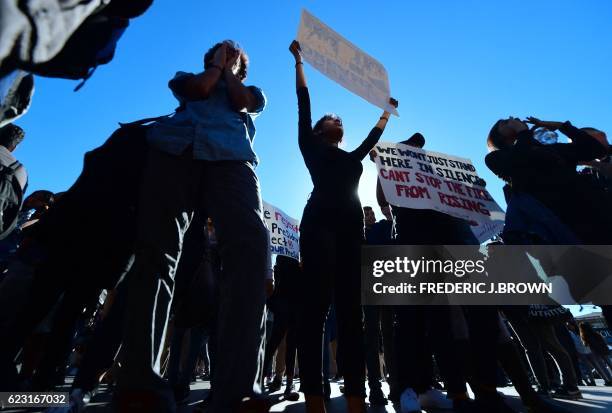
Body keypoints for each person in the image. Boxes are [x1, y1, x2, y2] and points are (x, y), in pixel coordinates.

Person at [116, 40, 270, 413]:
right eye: (221, 52)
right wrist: (216, 69)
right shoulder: (188, 79)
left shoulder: (251, 91)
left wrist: (230, 74)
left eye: (234, 54)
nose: (227, 54)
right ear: (210, 60)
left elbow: (242, 101)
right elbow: (199, 90)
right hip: (174, 152)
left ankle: (236, 389)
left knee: (249, 249)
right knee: (156, 254)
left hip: (231, 161)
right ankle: (141, 385)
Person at [289, 39, 397, 413]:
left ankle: (356, 397)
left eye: (341, 121)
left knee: (353, 314)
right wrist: (299, 63)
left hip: (353, 231)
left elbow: (371, 139)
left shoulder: (352, 156)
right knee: (316, 311)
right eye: (333, 120)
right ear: (319, 130)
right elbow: (303, 104)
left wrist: (385, 115)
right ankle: (314, 397)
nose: (340, 122)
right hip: (318, 227)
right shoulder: (309, 145)